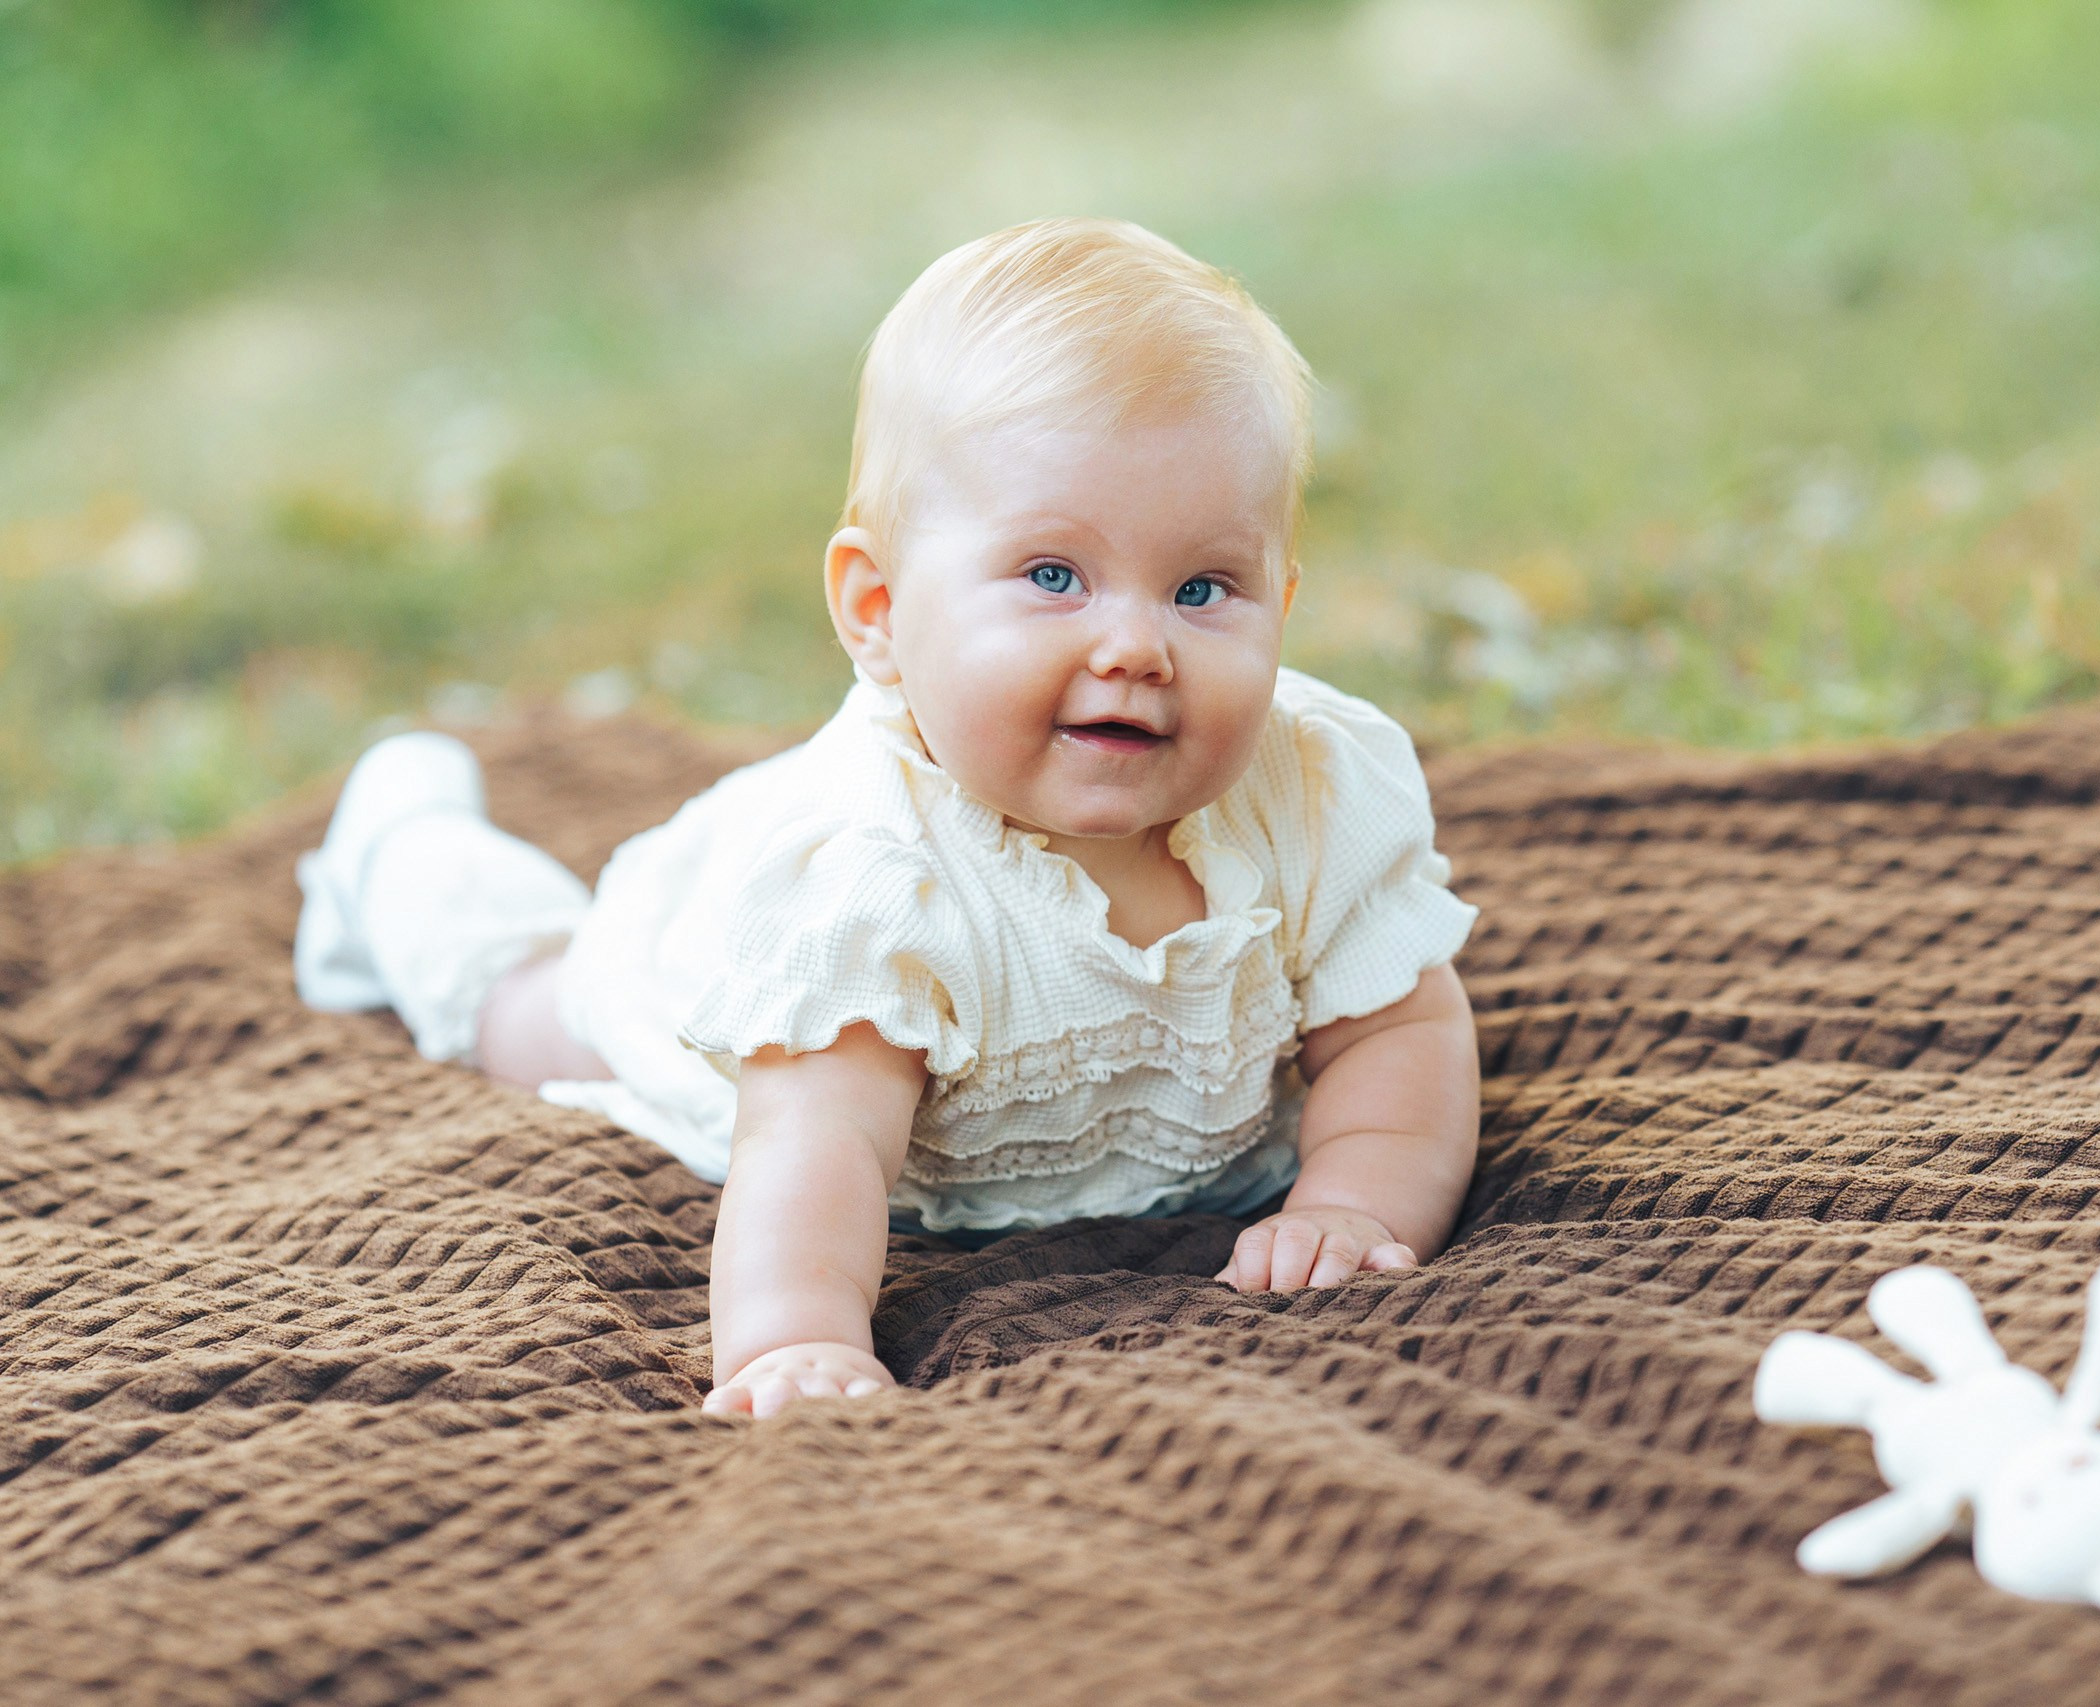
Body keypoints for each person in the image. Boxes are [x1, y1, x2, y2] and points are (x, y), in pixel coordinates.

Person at [293, 218, 1481, 1420]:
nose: (1135, 646)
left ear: (1281, 602)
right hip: (696, 986)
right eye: (1052, 576)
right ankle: (396, 855)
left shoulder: (1315, 794)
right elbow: (821, 1147)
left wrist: (1353, 1202)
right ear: (878, 608)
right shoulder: (865, 880)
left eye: (1200, 589)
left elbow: (1396, 1036)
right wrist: (793, 1341)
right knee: (523, 1006)